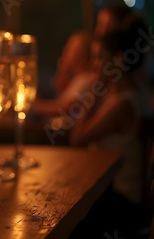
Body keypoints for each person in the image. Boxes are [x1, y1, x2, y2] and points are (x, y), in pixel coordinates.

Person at [70, 32, 144, 204]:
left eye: (99, 57)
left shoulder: (122, 105)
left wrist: (94, 93)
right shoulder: (115, 97)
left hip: (121, 199)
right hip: (107, 191)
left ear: (119, 60)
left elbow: (77, 138)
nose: (92, 64)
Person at [33, 30, 95, 117]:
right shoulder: (77, 79)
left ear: (83, 53)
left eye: (71, 48)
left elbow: (65, 108)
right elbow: (58, 91)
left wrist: (36, 107)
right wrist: (63, 70)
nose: (66, 50)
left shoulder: (86, 79)